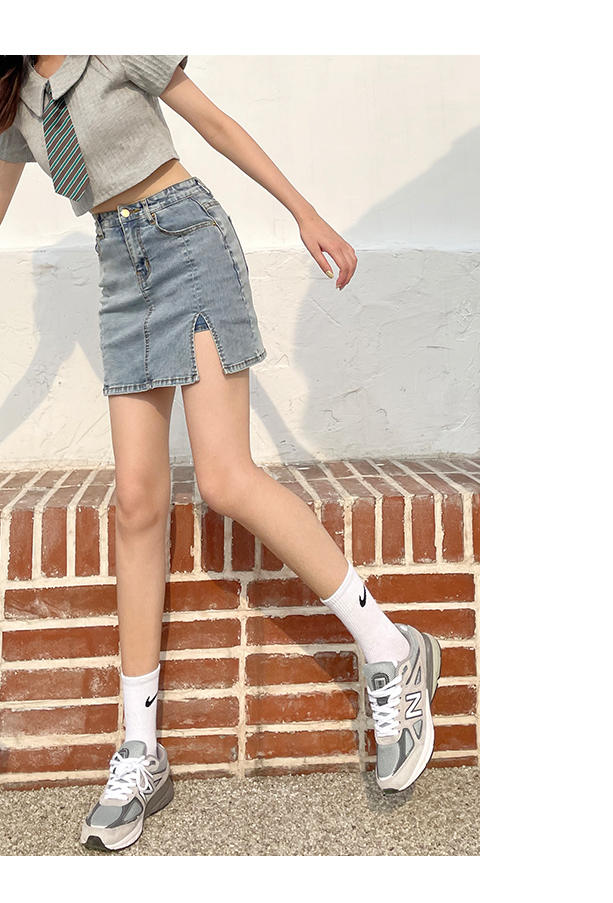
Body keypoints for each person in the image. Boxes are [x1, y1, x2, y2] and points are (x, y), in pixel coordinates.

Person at [0, 55, 442, 852]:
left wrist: (305, 212)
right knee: (136, 502)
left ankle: (391, 645)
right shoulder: (11, 95)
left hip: (186, 241)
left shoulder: (111, 40)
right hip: (118, 267)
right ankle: (141, 750)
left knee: (225, 478)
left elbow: (212, 121)